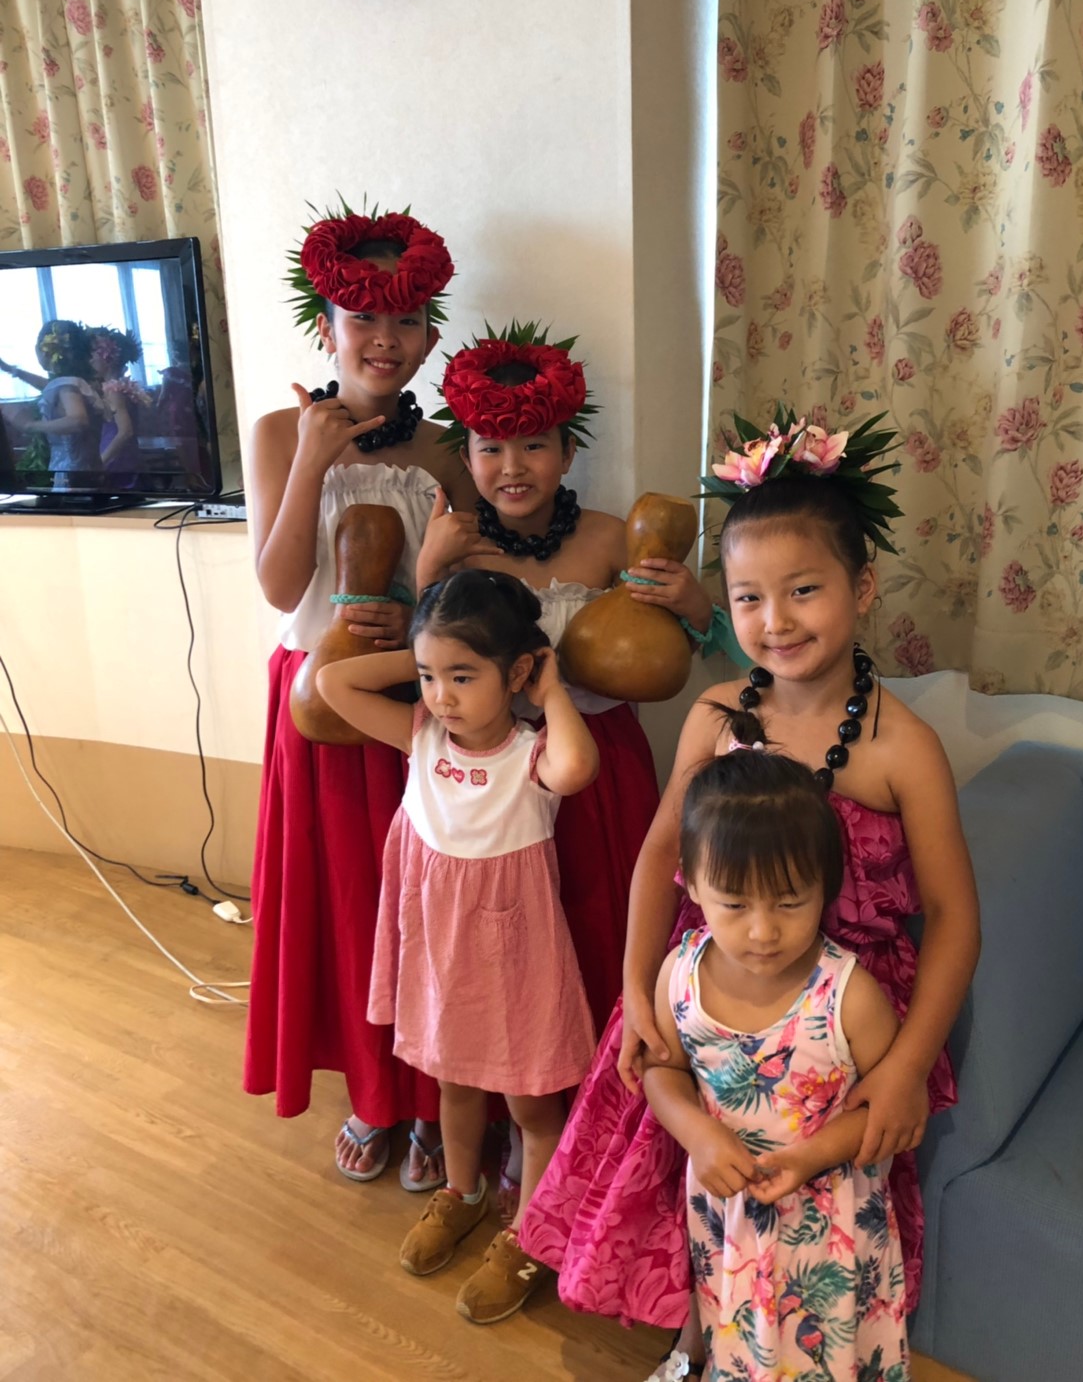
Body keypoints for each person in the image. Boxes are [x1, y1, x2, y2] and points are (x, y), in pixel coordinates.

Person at [519, 407, 980, 1379]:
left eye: (804, 589)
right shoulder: (715, 712)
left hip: (838, 1025)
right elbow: (657, 856)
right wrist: (635, 992)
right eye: (747, 598)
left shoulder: (902, 747)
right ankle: (697, 1342)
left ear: (861, 586)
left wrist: (904, 1067)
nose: (776, 620)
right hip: (710, 993)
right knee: (687, 1179)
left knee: (821, 1212)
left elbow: (953, 918)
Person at [416, 321, 719, 1219]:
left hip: (599, 770)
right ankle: (509, 1121)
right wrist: (425, 570)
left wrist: (695, 602)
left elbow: (702, 648)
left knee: (590, 938)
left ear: (568, 448)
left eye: (535, 445)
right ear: (466, 455)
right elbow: (422, 652)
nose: (512, 466)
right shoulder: (452, 544)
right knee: (505, 958)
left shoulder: (611, 538)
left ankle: (590, 1130)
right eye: (490, 447)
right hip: (494, 783)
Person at [244, 202, 473, 1193]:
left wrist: (417, 608)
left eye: (407, 318)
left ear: (429, 331)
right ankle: (375, 1095)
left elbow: (474, 590)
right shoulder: (275, 432)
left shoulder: (449, 449)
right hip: (317, 702)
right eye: (363, 316)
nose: (386, 337)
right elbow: (280, 587)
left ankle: (432, 1097)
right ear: (325, 325)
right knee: (347, 905)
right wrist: (312, 456)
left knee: (427, 906)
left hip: (419, 701)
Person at [317, 569, 599, 1324]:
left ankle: (531, 1235)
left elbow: (578, 769)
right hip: (440, 956)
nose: (441, 695)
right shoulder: (420, 734)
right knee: (456, 1084)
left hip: (517, 960)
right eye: (428, 676)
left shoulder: (533, 753)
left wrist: (551, 689)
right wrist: (424, 646)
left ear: (516, 671)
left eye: (462, 676)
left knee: (533, 1103)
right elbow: (335, 682)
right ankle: (462, 1190)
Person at [644, 716, 910, 1381]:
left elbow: (893, 1114)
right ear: (691, 884)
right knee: (741, 1341)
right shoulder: (679, 975)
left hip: (832, 1231)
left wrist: (809, 1156)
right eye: (735, 905)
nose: (763, 931)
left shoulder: (848, 995)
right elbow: (663, 1071)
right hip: (727, 1218)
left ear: (825, 886)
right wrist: (697, 1134)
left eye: (789, 902)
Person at [4, 320, 100, 490]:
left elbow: (78, 420)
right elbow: (49, 386)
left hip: (71, 473)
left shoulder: (66, 385)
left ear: (46, 349)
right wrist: (14, 371)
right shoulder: (78, 382)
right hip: (89, 469)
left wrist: (29, 425)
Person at [87, 325, 146, 482]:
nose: (90, 360)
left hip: (116, 460)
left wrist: (101, 462)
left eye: (94, 354)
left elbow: (125, 431)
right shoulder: (120, 386)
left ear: (108, 358)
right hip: (124, 456)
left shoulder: (114, 390)